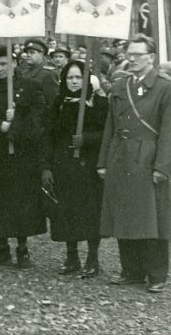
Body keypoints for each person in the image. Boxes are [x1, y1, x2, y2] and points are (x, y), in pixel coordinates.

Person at [97, 35, 171, 293]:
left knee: (152, 217)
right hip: (121, 155)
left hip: (148, 157)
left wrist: (162, 166)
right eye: (129, 54)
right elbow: (110, 126)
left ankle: (157, 274)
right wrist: (103, 161)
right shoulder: (121, 85)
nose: (131, 59)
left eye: (137, 54)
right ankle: (131, 270)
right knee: (125, 215)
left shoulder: (166, 87)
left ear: (151, 57)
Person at [0, 46, 47, 268]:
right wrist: (0, 125)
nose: (0, 69)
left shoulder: (30, 87)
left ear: (14, 64)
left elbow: (40, 118)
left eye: (4, 64)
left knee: (21, 199)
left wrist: (18, 121)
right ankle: (2, 247)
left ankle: (23, 248)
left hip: (22, 153)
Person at [46, 60, 108, 277]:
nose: (73, 82)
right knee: (67, 211)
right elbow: (50, 134)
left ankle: (93, 257)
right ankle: (72, 256)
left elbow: (106, 133)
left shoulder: (97, 102)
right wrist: (48, 166)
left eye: (78, 77)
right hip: (64, 163)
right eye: (69, 78)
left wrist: (87, 139)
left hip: (88, 165)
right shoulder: (59, 102)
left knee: (91, 211)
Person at [18, 38, 59, 107]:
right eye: (27, 52)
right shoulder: (25, 70)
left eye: (32, 52)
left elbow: (52, 103)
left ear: (41, 54)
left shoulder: (49, 73)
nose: (28, 55)